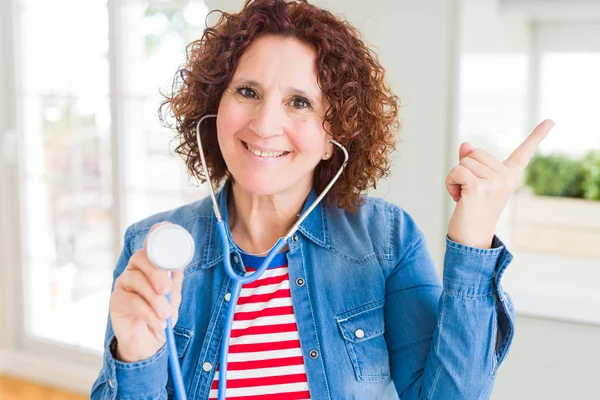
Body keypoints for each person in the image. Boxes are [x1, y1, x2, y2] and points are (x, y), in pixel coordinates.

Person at [91, 0, 554, 399]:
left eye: (300, 103)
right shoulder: (151, 247)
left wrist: (472, 242)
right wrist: (134, 355)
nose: (265, 123)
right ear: (214, 105)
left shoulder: (386, 240)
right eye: (247, 91)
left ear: (336, 134)